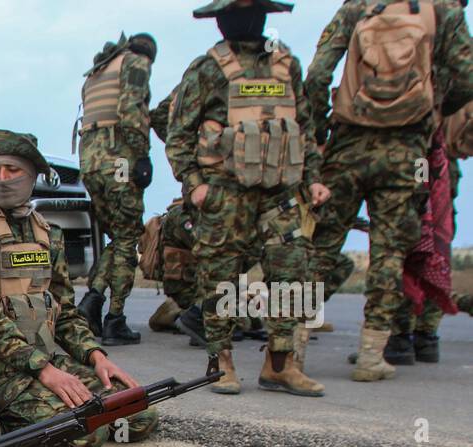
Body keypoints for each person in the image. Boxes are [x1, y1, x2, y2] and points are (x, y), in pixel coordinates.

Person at [0, 130, 157, 447]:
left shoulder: (46, 233)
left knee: (139, 415)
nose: (2, 179)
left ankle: (38, 409)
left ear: (31, 176)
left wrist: (96, 357)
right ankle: (2, 418)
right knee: (84, 435)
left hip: (46, 360)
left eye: (12, 170)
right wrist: (45, 371)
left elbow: (66, 311)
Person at [166, 0, 330, 397]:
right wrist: (194, 185)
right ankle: (219, 362)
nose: (243, 18)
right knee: (219, 279)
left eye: (253, 10)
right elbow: (179, 134)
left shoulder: (286, 64)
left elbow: (304, 127)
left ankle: (280, 365)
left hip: (280, 192)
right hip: (225, 192)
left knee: (292, 272)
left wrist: (312, 180)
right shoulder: (207, 68)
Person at [307, 0, 473, 381]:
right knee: (389, 252)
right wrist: (430, 105)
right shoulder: (443, 10)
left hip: (347, 145)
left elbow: (317, 75)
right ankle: (372, 355)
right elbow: (466, 77)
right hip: (407, 151)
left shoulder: (357, 8)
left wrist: (319, 130)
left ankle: (288, 351)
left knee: (320, 248)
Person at [76, 32, 157, 346]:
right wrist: (141, 155)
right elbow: (131, 110)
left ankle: (92, 302)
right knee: (128, 238)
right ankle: (115, 319)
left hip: (91, 162)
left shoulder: (97, 72)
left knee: (118, 236)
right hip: (117, 159)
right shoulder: (135, 62)